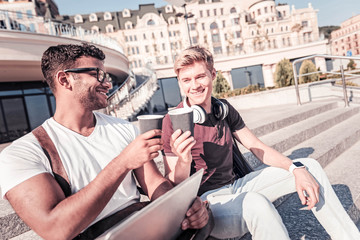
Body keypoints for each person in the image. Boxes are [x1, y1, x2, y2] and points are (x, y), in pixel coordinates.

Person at [0, 43, 211, 239]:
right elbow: (56, 229)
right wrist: (123, 163)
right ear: (64, 80)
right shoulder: (22, 154)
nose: (107, 83)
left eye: (106, 75)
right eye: (97, 74)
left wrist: (185, 207)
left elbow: (155, 184)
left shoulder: (123, 129)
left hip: (144, 226)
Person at [161, 45, 360, 240]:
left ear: (213, 74)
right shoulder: (173, 121)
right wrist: (183, 160)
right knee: (257, 204)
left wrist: (294, 169)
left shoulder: (223, 109)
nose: (194, 86)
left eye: (200, 76)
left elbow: (257, 147)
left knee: (309, 167)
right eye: (186, 80)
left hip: (238, 186)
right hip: (209, 204)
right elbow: (174, 185)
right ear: (179, 82)